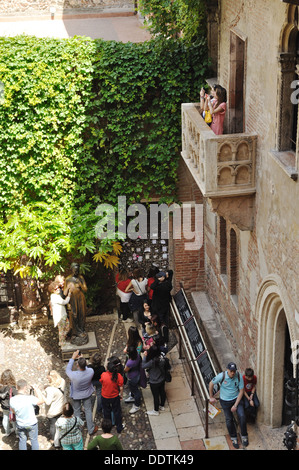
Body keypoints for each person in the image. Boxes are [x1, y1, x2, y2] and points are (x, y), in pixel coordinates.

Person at [209, 362, 248, 449]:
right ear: (227, 370)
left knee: (242, 416)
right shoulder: (222, 376)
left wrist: (235, 405)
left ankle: (244, 435)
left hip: (236, 399)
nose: (233, 373)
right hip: (225, 401)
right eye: (231, 371)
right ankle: (233, 437)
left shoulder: (239, 376)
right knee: (229, 419)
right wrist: (211, 396)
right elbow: (211, 383)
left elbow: (241, 391)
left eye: (234, 371)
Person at [66, 350, 98, 436]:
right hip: (87, 394)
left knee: (77, 411)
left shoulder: (73, 375)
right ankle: (91, 429)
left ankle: (78, 428)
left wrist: (73, 357)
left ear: (77, 365)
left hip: (76, 395)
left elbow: (67, 369)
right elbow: (86, 368)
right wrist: (82, 359)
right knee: (88, 410)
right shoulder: (91, 371)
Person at [10, 379, 44, 450]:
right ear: (25, 387)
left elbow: (13, 411)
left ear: (16, 387)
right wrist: (36, 389)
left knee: (22, 441)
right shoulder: (30, 398)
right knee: (34, 440)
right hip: (32, 424)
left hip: (20, 424)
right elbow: (41, 400)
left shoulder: (12, 400)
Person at [64, 262, 88, 346]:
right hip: (72, 299)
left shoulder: (81, 278)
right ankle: (75, 332)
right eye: (75, 270)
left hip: (80, 298)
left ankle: (81, 330)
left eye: (77, 270)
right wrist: (68, 287)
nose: (76, 272)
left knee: (82, 314)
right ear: (72, 269)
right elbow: (64, 292)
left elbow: (85, 289)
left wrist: (80, 284)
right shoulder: (68, 279)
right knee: (74, 315)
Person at [100, 357, 125, 434]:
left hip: (105, 396)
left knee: (106, 412)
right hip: (114, 396)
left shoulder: (103, 375)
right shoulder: (118, 376)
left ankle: (108, 427)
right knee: (117, 411)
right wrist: (121, 395)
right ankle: (119, 427)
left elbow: (101, 382)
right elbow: (121, 387)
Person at [42, 370, 66, 449]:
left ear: (52, 378)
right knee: (59, 424)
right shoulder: (62, 381)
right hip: (61, 408)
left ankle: (53, 440)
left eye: (48, 378)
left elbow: (48, 402)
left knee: (53, 426)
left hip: (52, 411)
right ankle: (61, 438)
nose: (47, 379)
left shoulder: (50, 390)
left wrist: (42, 394)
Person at [142, 344, 166, 416]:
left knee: (155, 396)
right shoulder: (162, 357)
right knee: (162, 392)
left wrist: (144, 357)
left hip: (154, 381)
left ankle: (156, 410)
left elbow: (143, 366)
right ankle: (162, 405)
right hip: (162, 378)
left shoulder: (152, 362)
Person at [49, 280, 71, 348]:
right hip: (60, 317)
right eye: (56, 289)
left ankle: (61, 341)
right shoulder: (54, 297)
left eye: (58, 287)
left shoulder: (56, 295)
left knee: (67, 327)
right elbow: (64, 302)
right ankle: (62, 344)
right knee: (62, 331)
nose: (58, 289)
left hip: (63, 316)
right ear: (52, 290)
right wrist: (69, 295)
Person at [124, 346, 142, 414]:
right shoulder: (137, 355)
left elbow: (125, 370)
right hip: (137, 374)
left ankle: (137, 405)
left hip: (132, 377)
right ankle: (132, 396)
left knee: (135, 390)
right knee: (132, 388)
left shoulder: (130, 363)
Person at [0, 369, 17, 436]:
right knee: (14, 420)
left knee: (5, 418)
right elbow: (16, 396)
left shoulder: (0, 387)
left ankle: (7, 432)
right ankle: (17, 434)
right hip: (11, 407)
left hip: (4, 406)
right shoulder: (12, 388)